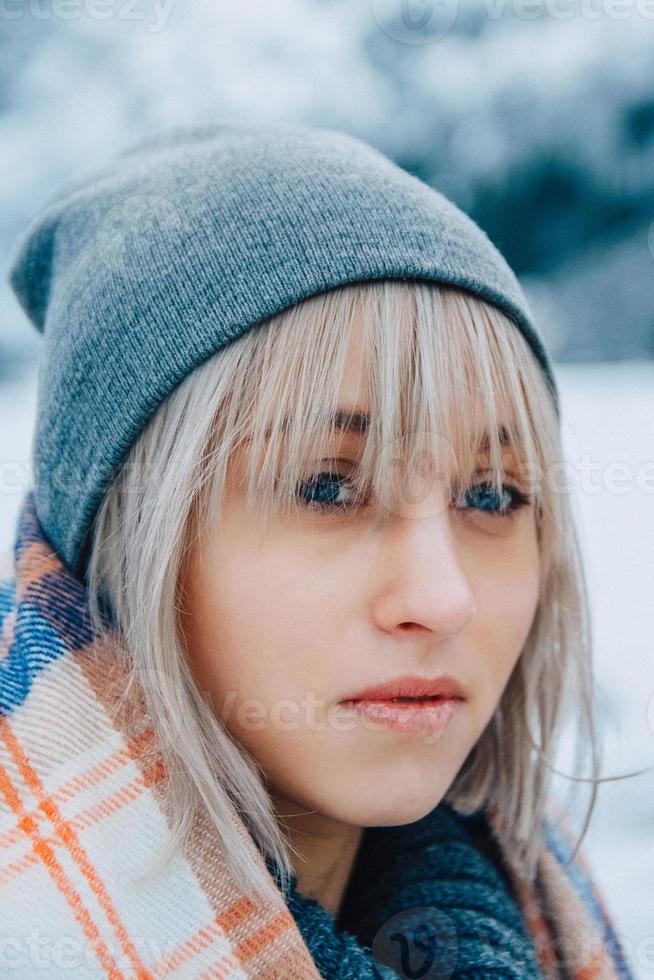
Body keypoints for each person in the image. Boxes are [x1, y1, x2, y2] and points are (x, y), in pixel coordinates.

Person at [0, 123, 632, 978]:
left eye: (493, 495)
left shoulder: (538, 924)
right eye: (329, 486)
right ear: (126, 539)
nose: (444, 599)